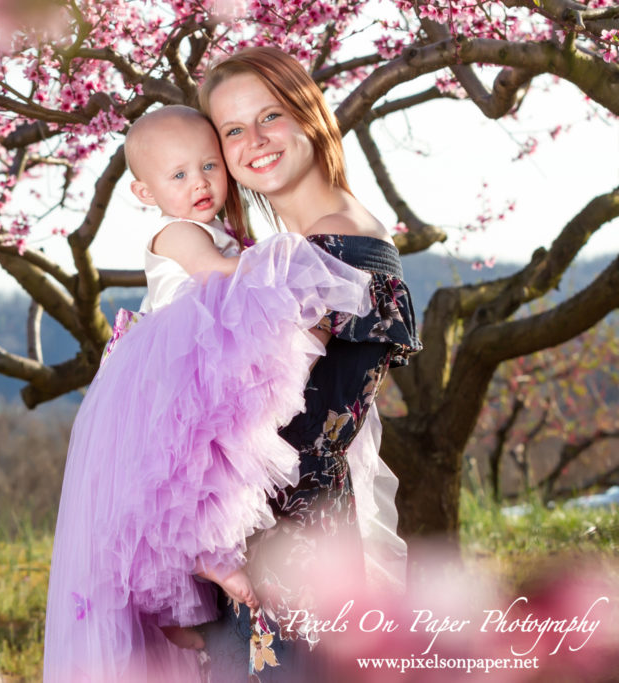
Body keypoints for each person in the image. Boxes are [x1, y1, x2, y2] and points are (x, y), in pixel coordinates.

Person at [42, 104, 375, 682]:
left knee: (223, 461)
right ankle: (213, 562)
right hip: (175, 373)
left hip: (196, 367)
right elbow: (220, 274)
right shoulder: (176, 232)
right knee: (199, 471)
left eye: (208, 167)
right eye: (178, 175)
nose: (198, 183)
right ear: (145, 192)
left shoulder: (221, 229)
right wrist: (285, 257)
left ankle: (187, 619)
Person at [196, 46, 422, 679]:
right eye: (233, 129)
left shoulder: (332, 250)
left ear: (310, 116)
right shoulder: (305, 248)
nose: (255, 140)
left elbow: (287, 430)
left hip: (283, 561)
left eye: (270, 116)